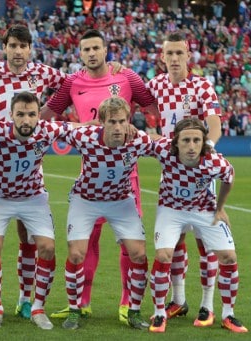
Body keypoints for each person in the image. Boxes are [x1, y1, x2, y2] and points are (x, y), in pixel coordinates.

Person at [41, 28, 156, 323]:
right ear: (80, 54)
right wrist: (83, 128)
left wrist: (149, 129)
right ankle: (82, 303)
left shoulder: (127, 77)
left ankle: (126, 304)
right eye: (86, 49)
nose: (91, 53)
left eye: (96, 48)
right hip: (90, 169)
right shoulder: (72, 81)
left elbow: (150, 104)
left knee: (129, 245)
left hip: (125, 177)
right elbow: (46, 117)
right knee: (86, 242)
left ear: (106, 50)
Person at [0, 24, 66, 320]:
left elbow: (71, 84)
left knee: (29, 237)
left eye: (23, 46)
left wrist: (46, 114)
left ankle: (25, 298)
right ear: (4, 47)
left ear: (30, 49)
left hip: (30, 162)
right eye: (13, 45)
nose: (18, 51)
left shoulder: (43, 73)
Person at [0, 91, 76, 330]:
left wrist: (97, 125)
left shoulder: (46, 130)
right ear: (11, 115)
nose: (26, 120)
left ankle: (38, 307)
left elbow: (76, 127)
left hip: (32, 197)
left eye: (31, 114)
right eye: (20, 114)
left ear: (39, 115)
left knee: (48, 247)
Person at [146, 32, 221, 327]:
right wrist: (117, 71)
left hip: (200, 175)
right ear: (162, 57)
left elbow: (214, 125)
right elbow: (126, 93)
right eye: (170, 54)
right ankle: (178, 299)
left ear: (188, 55)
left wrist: (206, 154)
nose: (175, 59)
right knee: (174, 241)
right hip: (171, 176)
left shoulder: (202, 85)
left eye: (180, 53)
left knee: (206, 242)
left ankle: (207, 305)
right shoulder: (154, 87)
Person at [60, 96, 152, 330]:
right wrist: (82, 125)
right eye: (112, 122)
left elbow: (165, 146)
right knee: (77, 254)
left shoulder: (138, 140)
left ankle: (134, 310)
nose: (118, 127)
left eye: (123, 121)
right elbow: (52, 130)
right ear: (101, 121)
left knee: (139, 255)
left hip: (121, 201)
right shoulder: (85, 137)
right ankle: (74, 310)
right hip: (86, 200)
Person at [148, 118, 247, 333]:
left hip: (204, 209)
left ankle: (228, 314)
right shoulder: (164, 150)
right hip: (171, 209)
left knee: (229, 257)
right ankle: (158, 314)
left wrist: (220, 207)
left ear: (203, 142)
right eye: (186, 140)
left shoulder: (215, 161)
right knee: (164, 254)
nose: (191, 146)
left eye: (196, 140)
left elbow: (229, 177)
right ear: (175, 142)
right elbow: (147, 139)